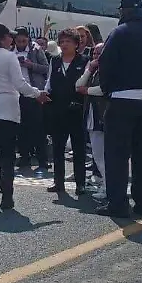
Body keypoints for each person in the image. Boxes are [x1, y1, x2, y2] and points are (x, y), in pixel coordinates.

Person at [0, 23, 48, 209]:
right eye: (9, 36)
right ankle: (6, 197)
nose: (11, 39)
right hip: (7, 110)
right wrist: (38, 94)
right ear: (1, 38)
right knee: (7, 156)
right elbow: (20, 84)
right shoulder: (9, 57)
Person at [98, 0, 142, 218]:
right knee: (141, 153)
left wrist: (107, 91)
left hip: (122, 97)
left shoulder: (120, 32)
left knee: (117, 154)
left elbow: (105, 65)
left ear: (124, 11)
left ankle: (117, 204)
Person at [46, 28, 88, 196]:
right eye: (62, 42)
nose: (64, 45)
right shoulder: (55, 61)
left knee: (78, 148)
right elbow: (49, 81)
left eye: (68, 42)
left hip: (76, 109)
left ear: (76, 44)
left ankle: (80, 183)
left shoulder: (83, 61)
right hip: (57, 108)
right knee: (58, 147)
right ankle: (58, 182)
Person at [13, 27, 49, 171]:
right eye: (18, 40)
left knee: (38, 128)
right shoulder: (10, 52)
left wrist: (30, 65)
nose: (21, 43)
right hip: (17, 94)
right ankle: (24, 157)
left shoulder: (36, 50)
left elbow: (46, 68)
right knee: (21, 128)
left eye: (24, 40)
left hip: (34, 92)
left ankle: (42, 159)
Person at [76, 43, 108, 200]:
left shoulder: (108, 70)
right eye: (94, 53)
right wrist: (89, 69)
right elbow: (78, 85)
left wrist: (87, 91)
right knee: (97, 155)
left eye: (99, 54)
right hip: (91, 117)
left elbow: (104, 89)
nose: (95, 57)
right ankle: (105, 184)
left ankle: (108, 187)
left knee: (103, 156)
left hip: (102, 118)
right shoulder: (93, 70)